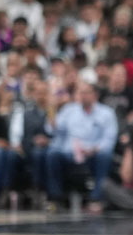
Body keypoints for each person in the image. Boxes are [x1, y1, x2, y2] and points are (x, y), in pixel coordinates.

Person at [46, 82, 118, 212]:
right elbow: (53, 131)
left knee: (105, 156)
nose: (83, 96)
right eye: (81, 93)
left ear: (95, 95)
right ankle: (56, 198)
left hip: (93, 153)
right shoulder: (69, 110)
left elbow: (109, 140)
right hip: (68, 153)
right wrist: (51, 111)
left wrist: (95, 149)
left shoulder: (106, 113)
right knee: (52, 154)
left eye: (87, 93)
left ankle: (96, 198)